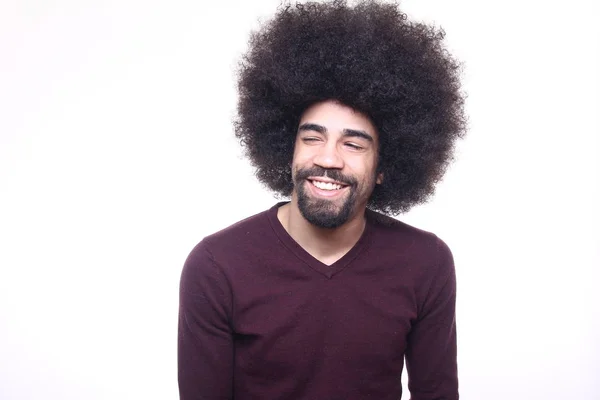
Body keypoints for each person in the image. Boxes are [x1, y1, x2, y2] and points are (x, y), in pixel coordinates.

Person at [178, 0, 466, 399]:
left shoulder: (424, 263)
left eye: (353, 144)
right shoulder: (217, 266)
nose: (327, 158)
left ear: (386, 166)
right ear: (286, 147)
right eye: (312, 138)